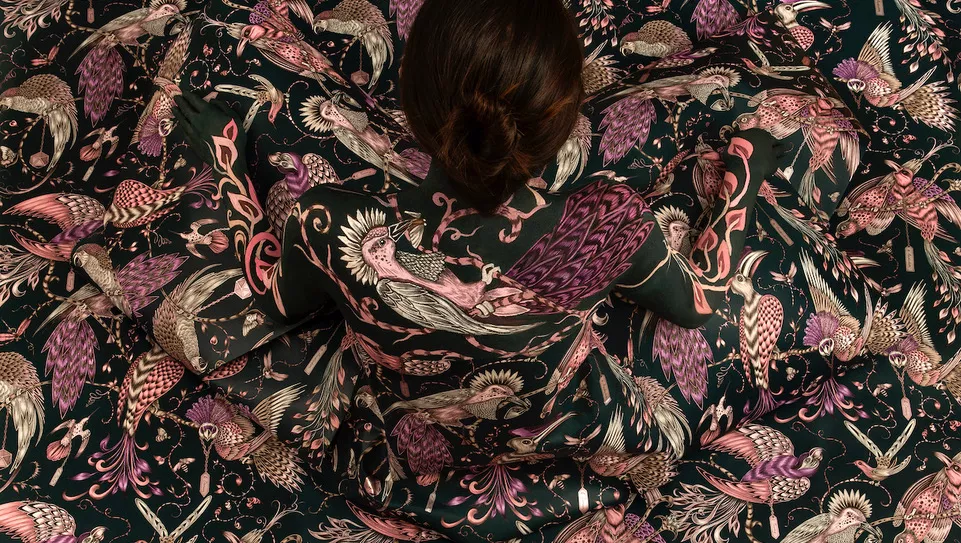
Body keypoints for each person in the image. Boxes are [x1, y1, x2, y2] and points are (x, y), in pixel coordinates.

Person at [173, 0, 781, 536]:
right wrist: (745, 174)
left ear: (410, 106)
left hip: (410, 447)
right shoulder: (607, 222)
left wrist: (227, 161)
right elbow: (701, 303)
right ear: (565, 120)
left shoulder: (329, 223)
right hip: (562, 429)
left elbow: (280, 299)